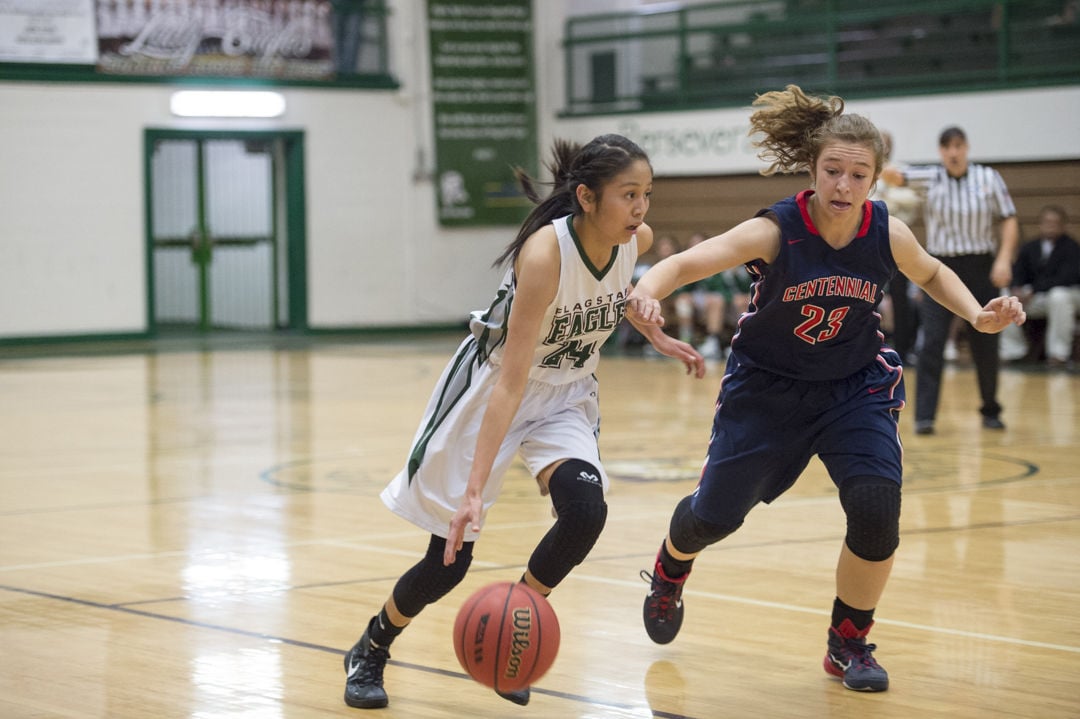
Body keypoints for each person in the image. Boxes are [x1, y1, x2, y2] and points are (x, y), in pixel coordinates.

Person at [625, 85, 1026, 694]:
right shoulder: (775, 231)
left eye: (857, 174)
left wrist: (977, 314)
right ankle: (670, 567)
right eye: (832, 171)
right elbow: (684, 264)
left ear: (874, 180)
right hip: (768, 392)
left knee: (875, 512)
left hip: (853, 386)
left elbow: (934, 272)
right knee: (713, 517)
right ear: (812, 172)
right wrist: (647, 290)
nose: (843, 185)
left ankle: (848, 643)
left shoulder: (885, 231)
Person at [342, 134, 706, 710]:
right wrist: (471, 494)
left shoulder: (636, 240)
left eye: (647, 194)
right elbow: (511, 381)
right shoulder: (544, 255)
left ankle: (519, 616)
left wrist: (652, 329)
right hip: (493, 389)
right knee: (449, 559)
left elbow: (611, 296)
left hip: (565, 394)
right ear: (586, 197)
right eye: (629, 195)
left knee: (586, 512)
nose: (641, 209)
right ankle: (372, 646)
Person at [881, 126, 1020, 434]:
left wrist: (1003, 258)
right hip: (940, 268)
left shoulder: (988, 177)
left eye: (958, 146)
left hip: (982, 265)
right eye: (947, 147)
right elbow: (893, 175)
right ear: (941, 151)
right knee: (931, 342)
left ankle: (990, 409)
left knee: (987, 338)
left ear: (966, 148)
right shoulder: (929, 177)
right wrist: (880, 152)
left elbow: (1008, 218)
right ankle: (925, 417)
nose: (953, 152)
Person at [999, 205, 1080, 367]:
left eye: (1055, 222)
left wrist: (1033, 290)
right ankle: (1012, 350)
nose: (1050, 226)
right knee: (1006, 297)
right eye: (1046, 222)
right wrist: (1016, 288)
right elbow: (1017, 272)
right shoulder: (1030, 247)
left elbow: (1066, 278)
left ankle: (1058, 354)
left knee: (1059, 296)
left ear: (1063, 225)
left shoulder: (1072, 247)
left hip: (1067, 296)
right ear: (1040, 224)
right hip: (1036, 297)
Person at [871, 131, 923, 362]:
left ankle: (903, 348)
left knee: (901, 298)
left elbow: (911, 202)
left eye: (887, 144)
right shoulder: (865, 168)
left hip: (896, 241)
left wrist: (885, 199)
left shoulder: (900, 169)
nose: (883, 147)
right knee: (867, 295)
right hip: (868, 243)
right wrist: (889, 199)